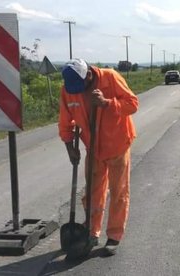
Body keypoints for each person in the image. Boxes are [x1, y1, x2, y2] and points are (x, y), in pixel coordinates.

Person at [59, 58, 138, 256]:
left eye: (80, 86)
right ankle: (92, 232)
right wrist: (70, 147)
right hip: (92, 148)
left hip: (118, 145)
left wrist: (106, 103)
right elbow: (65, 121)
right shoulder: (68, 89)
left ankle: (114, 235)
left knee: (118, 192)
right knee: (93, 193)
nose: (77, 91)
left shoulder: (110, 77)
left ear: (88, 75)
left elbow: (132, 104)